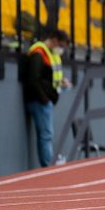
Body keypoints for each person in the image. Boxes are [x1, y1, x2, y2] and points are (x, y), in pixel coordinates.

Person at [22, 29, 71, 167]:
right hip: (39, 101)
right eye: (60, 45)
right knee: (46, 135)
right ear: (54, 39)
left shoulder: (50, 54)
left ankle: (49, 161)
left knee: (47, 134)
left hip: (44, 100)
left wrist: (62, 83)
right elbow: (34, 79)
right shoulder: (39, 53)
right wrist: (44, 99)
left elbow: (49, 78)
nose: (61, 49)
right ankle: (49, 165)